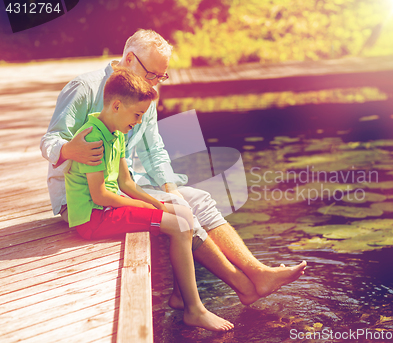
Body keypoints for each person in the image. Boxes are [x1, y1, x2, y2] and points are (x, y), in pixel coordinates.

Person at [40, 29, 306, 308]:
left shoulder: (143, 95)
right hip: (81, 196)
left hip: (122, 183)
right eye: (152, 74)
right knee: (180, 214)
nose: (155, 83)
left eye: (161, 77)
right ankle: (238, 286)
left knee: (195, 199)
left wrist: (170, 189)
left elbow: (154, 150)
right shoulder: (85, 88)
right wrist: (69, 149)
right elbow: (50, 140)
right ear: (130, 59)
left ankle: (256, 273)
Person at [65, 67, 233, 331]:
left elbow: (126, 183)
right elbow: (100, 194)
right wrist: (145, 206)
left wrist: (157, 203)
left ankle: (181, 295)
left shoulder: (116, 133)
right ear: (117, 106)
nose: (140, 120)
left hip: (108, 207)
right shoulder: (94, 138)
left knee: (184, 214)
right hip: (93, 218)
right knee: (178, 227)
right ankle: (195, 309)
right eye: (137, 114)